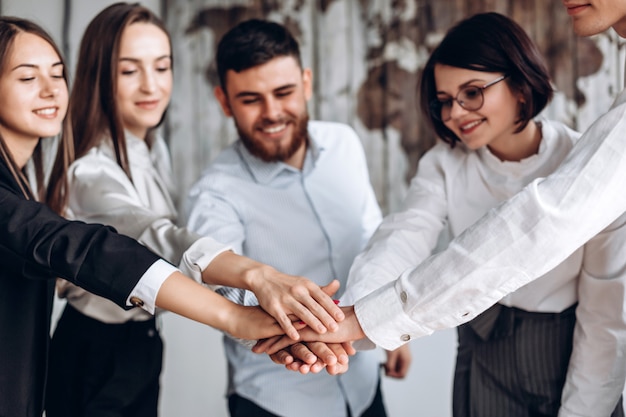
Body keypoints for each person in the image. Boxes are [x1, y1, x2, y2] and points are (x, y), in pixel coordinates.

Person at [257, 4, 626, 414]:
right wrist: (350, 319)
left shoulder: (582, 164)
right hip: (481, 351)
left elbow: (604, 315)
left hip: (567, 350)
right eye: (444, 101)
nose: (455, 113)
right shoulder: (443, 164)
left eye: (472, 92)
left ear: (521, 85)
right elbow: (401, 238)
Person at [0, 14, 342, 417]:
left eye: (162, 66)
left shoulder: (151, 150)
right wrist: (252, 283)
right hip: (95, 347)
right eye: (130, 70)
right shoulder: (88, 170)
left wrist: (257, 321)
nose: (152, 84)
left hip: (139, 339)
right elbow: (140, 242)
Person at [186, 18, 410, 417]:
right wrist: (293, 337)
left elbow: (372, 235)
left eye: (284, 92)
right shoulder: (214, 191)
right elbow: (224, 289)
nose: (272, 113)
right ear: (224, 101)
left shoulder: (345, 143)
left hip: (362, 387)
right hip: (277, 399)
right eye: (251, 99)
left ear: (306, 83)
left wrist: (391, 325)